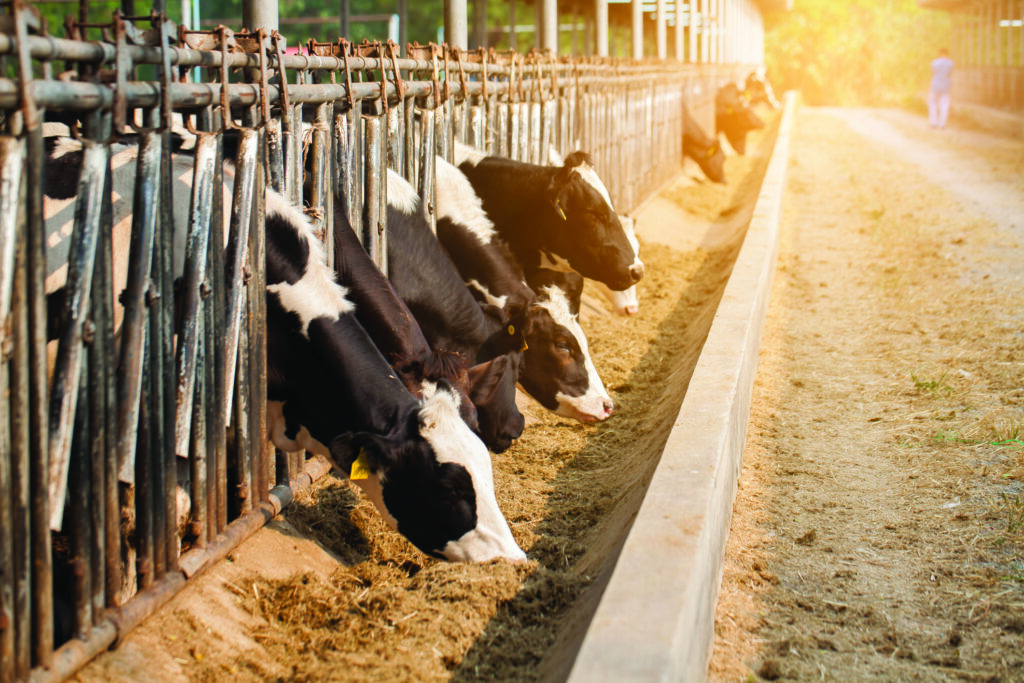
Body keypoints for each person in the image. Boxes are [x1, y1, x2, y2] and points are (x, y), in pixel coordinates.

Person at [929, 48, 954, 129]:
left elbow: (933, 73)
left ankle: (934, 122)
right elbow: (950, 74)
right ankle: (942, 124)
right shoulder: (951, 63)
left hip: (935, 86)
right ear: (947, 54)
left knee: (933, 104)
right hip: (945, 86)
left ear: (939, 54)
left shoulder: (934, 62)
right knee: (944, 105)